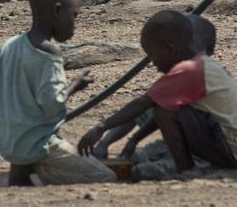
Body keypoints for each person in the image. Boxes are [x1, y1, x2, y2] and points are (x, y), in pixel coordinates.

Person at [79, 10, 237, 174]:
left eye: (152, 55)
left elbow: (144, 103)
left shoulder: (190, 70)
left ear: (170, 49)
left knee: (162, 109)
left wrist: (100, 128)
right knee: (163, 105)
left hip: (234, 153)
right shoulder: (201, 66)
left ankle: (185, 169)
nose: (153, 63)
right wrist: (135, 140)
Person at [0, 0, 114, 186]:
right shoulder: (50, 52)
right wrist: (76, 84)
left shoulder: (10, 45)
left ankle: (24, 171)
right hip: (38, 142)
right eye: (73, 16)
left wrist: (16, 105)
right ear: (57, 11)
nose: (74, 24)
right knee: (106, 176)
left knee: (23, 178)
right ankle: (42, 168)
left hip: (8, 140)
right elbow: (53, 104)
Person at [90, 14, 217, 160]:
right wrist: (118, 141)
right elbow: (148, 109)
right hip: (204, 141)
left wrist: (105, 130)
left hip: (211, 146)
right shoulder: (193, 69)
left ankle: (185, 167)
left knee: (140, 162)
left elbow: (148, 106)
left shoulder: (195, 72)